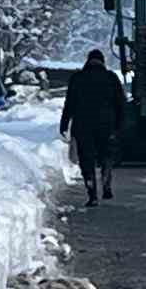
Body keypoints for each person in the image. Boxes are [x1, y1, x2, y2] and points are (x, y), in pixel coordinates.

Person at [60, 49, 126, 207]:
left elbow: (69, 103)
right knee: (106, 155)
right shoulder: (111, 77)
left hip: (83, 125)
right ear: (102, 62)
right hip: (106, 125)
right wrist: (119, 125)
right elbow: (120, 104)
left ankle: (92, 193)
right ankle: (106, 178)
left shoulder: (78, 78)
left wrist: (64, 124)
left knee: (86, 159)